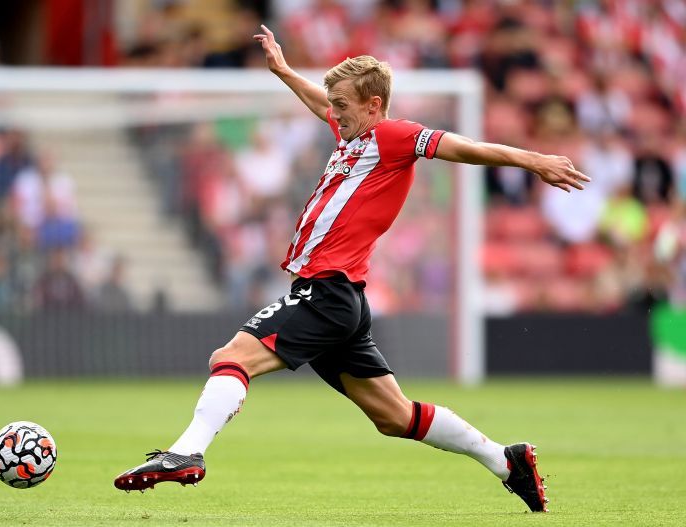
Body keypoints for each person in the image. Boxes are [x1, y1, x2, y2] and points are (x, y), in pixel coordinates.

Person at [114, 25, 590, 512]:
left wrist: (534, 161)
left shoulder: (392, 136)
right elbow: (319, 103)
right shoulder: (351, 138)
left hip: (327, 292)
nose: (332, 112)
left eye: (342, 105)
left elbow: (464, 147)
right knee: (394, 416)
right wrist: (282, 72)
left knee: (232, 357)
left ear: (373, 105)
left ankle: (186, 452)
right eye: (333, 104)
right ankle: (507, 462)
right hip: (343, 299)